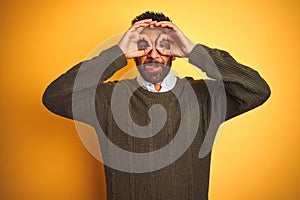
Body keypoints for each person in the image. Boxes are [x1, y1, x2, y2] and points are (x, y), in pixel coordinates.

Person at [43, 11, 270, 200]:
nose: (153, 54)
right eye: (143, 46)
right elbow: (54, 97)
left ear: (174, 53)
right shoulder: (109, 99)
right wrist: (116, 54)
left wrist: (194, 52)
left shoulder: (203, 98)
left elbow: (257, 90)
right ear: (132, 53)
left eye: (163, 46)